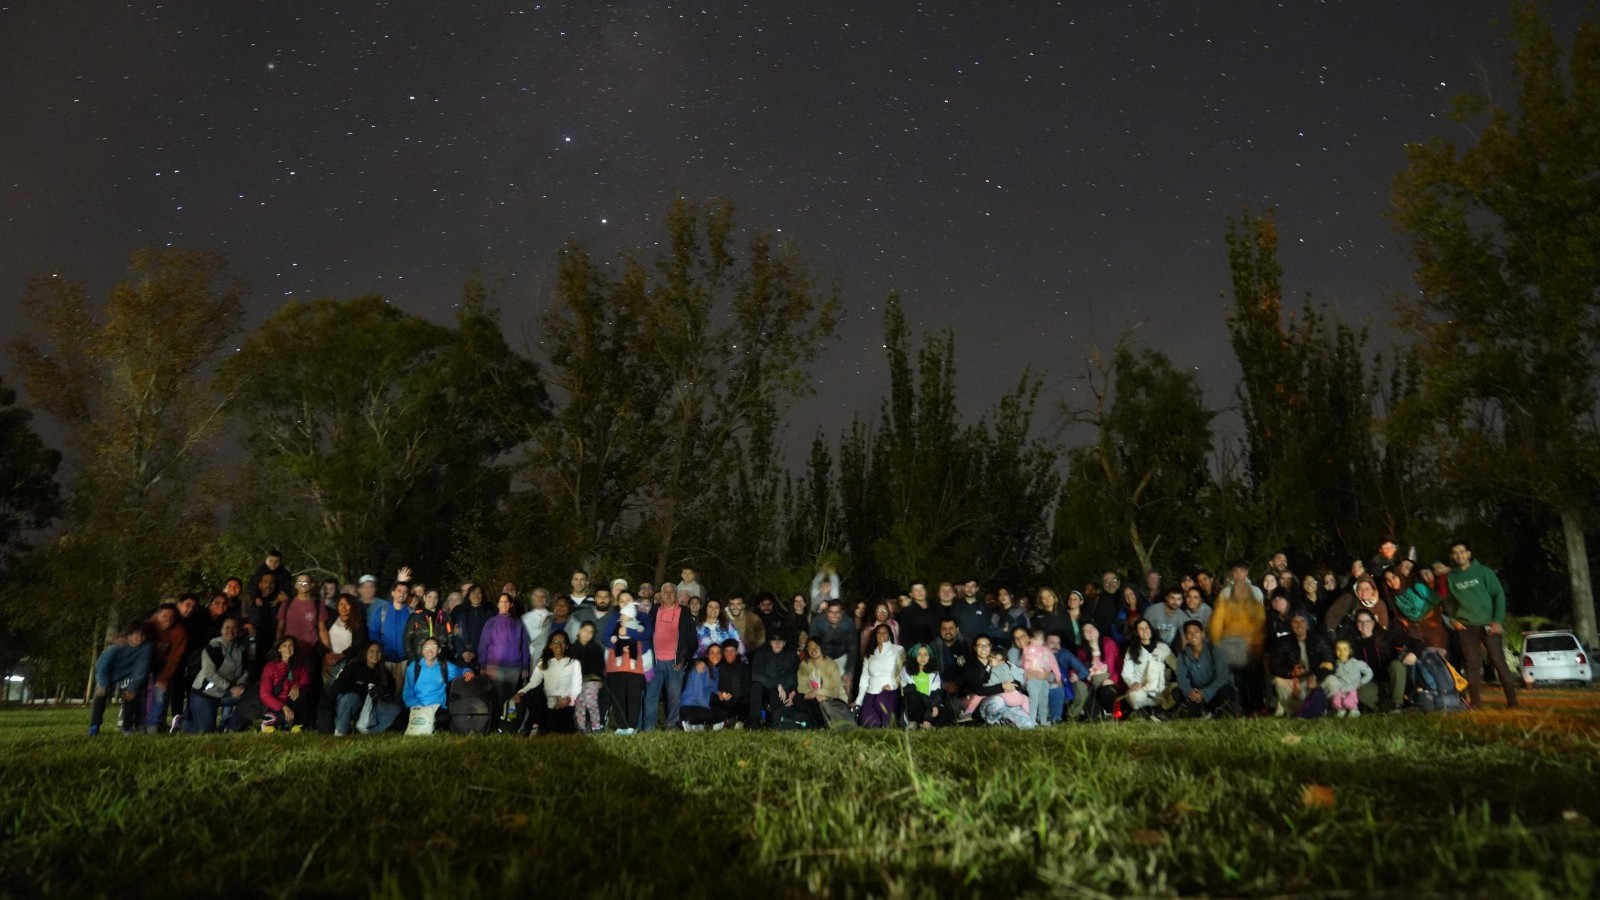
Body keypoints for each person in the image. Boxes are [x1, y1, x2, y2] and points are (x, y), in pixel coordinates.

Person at [1443, 541, 1518, 709]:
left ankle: (1513, 702)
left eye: (1462, 552)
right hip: (1466, 626)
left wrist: (1497, 620)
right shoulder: (1452, 578)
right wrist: (1453, 620)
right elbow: (1449, 602)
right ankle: (1475, 703)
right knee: (1471, 664)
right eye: (1455, 553)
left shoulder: (1484, 572)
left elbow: (1498, 595)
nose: (1459, 555)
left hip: (1488, 624)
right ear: (1452, 556)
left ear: (1469, 553)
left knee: (1498, 661)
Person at [641, 580, 696, 732]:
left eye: (672, 592)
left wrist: (683, 658)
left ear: (676, 595)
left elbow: (692, 639)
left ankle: (671, 725)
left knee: (674, 697)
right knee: (651, 696)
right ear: (661, 596)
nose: (669, 595)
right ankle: (649, 727)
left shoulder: (684, 612)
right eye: (666, 592)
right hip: (654, 662)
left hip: (675, 663)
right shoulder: (654, 611)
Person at [1208, 565, 1265, 713]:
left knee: (1253, 675)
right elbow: (1216, 626)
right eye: (1238, 590)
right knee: (1236, 677)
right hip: (1231, 647)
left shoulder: (1256, 603)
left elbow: (1260, 625)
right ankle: (1238, 707)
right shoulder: (1225, 602)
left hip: (1251, 647)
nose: (1241, 592)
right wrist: (1218, 645)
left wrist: (1254, 644)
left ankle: (1255, 707)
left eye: (1244, 590)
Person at [186, 617, 248, 734]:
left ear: (239, 631)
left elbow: (244, 671)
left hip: (225, 694)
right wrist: (231, 688)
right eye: (227, 628)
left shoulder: (241, 650)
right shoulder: (213, 647)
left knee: (249, 698)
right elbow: (209, 673)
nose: (231, 631)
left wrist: (241, 685)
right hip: (206, 694)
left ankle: (231, 726)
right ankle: (183, 723)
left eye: (234, 628)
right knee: (206, 732)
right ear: (221, 630)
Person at [89, 621, 152, 736]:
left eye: (142, 634)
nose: (139, 637)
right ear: (129, 634)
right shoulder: (118, 646)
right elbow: (101, 664)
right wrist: (103, 683)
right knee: (100, 696)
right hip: (109, 673)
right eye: (136, 634)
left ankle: (127, 727)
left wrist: (133, 687)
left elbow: (141, 669)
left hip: (129, 675)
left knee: (130, 696)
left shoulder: (146, 648)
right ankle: (94, 725)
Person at [514, 630, 582, 734]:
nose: (558, 645)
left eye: (562, 642)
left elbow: (577, 686)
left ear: (567, 645)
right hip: (547, 704)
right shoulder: (544, 662)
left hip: (565, 704)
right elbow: (533, 682)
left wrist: (568, 699)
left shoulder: (574, 663)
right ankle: (534, 727)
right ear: (550, 645)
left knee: (558, 728)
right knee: (535, 692)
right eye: (555, 642)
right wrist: (520, 692)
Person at [1268, 613, 1334, 716]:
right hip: (1296, 681)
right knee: (1278, 681)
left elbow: (1330, 663)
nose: (1299, 625)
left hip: (1314, 681)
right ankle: (1295, 712)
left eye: (1302, 621)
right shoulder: (1283, 642)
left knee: (1332, 681)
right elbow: (1274, 666)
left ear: (1307, 624)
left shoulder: (1319, 639)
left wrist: (1315, 675)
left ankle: (1322, 709)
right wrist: (1292, 672)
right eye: (1295, 622)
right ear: (1291, 624)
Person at [602, 593, 650, 734]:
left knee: (634, 696)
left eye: (627, 600)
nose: (624, 602)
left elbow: (647, 633)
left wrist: (628, 631)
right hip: (616, 663)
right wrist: (618, 645)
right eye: (621, 600)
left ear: (633, 601)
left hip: (636, 663)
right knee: (619, 696)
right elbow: (605, 637)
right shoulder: (614, 617)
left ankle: (632, 726)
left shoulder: (642, 616)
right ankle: (621, 726)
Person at [331, 641, 403, 735]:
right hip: (351, 704)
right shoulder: (354, 667)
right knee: (351, 697)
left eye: (378, 652)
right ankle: (340, 730)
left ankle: (367, 730)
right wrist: (364, 689)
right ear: (366, 653)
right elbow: (340, 686)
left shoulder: (383, 672)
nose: (375, 654)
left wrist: (382, 691)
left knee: (395, 710)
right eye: (371, 651)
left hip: (370, 706)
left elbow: (391, 688)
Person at [966, 635, 1034, 728]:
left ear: (991, 647)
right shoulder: (971, 667)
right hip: (987, 703)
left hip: (1009, 702)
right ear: (975, 648)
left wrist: (1012, 684)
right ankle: (991, 721)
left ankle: (1005, 720)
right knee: (998, 701)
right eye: (980, 645)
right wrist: (1002, 686)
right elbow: (979, 690)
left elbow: (1016, 682)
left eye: (987, 645)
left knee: (1029, 724)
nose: (984, 648)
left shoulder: (1001, 663)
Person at [402, 636, 469, 731]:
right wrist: (416, 706)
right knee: (400, 722)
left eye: (433, 647)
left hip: (437, 709)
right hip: (417, 707)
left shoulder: (444, 666)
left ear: (439, 650)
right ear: (422, 650)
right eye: (426, 647)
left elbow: (459, 671)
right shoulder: (414, 667)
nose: (430, 650)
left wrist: (467, 671)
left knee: (445, 719)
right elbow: (408, 691)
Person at [1174, 621, 1236, 717]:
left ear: (1202, 634)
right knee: (1177, 692)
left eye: (1196, 631)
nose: (1193, 635)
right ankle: (1202, 711)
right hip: (1197, 694)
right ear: (1186, 636)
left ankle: (1215, 712)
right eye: (1189, 633)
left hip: (1214, 691)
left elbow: (1222, 677)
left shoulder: (1214, 650)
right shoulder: (1182, 656)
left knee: (1227, 690)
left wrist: (1205, 693)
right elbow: (1181, 679)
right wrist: (1190, 692)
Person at [479, 592, 531, 708]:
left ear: (511, 604)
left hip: (514, 667)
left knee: (511, 696)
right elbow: (484, 645)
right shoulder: (491, 623)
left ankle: (508, 722)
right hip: (496, 666)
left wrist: (524, 667)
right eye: (501, 602)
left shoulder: (518, 623)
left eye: (506, 602)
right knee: (498, 695)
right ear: (497, 604)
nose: (503, 604)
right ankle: (498, 722)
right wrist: (483, 666)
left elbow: (524, 646)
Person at [145, 602, 189, 733]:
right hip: (145, 663)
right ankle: (134, 721)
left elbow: (175, 657)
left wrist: (164, 677)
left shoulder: (179, 632)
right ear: (157, 616)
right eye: (164, 616)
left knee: (161, 692)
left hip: (164, 664)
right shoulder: (147, 626)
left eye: (172, 617)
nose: (168, 620)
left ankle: (157, 723)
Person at [1010, 627, 1062, 727]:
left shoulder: (1043, 650)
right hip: (1025, 685)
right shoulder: (1014, 652)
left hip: (1042, 681)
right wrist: (1026, 676)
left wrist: (1048, 675)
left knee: (1053, 690)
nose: (1020, 640)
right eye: (1016, 638)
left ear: (1030, 637)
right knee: (1033, 699)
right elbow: (1015, 674)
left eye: (1023, 636)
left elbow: (1051, 665)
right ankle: (1032, 719)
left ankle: (1053, 718)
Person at [1121, 618, 1174, 717]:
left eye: (1147, 627)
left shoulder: (1162, 648)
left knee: (1176, 690)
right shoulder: (1132, 651)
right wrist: (1133, 683)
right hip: (1143, 690)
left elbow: (1176, 666)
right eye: (1141, 629)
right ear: (1137, 633)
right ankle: (1143, 711)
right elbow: (1126, 673)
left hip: (1161, 690)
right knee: (1135, 696)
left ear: (1151, 629)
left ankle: (1162, 709)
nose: (1145, 630)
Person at [259, 635, 312, 732]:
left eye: (291, 645)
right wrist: (283, 706)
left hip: (292, 703)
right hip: (276, 704)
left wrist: (297, 685)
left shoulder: (300, 666)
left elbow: (306, 681)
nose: (288, 648)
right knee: (278, 717)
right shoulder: (270, 667)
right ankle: (269, 723)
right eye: (284, 645)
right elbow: (264, 693)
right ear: (279, 649)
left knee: (302, 695)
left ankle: (296, 726)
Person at [855, 623, 904, 727]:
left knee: (882, 703)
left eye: (885, 632)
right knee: (868, 723)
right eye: (879, 633)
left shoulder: (898, 650)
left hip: (890, 691)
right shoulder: (870, 654)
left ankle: (890, 726)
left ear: (889, 635)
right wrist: (858, 701)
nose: (882, 635)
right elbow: (864, 679)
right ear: (875, 636)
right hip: (871, 692)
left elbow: (902, 672)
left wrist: (892, 685)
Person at [747, 633, 799, 729]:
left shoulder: (791, 655)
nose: (777, 643)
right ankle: (753, 724)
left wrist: (793, 692)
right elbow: (756, 675)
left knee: (781, 710)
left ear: (784, 643)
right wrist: (777, 685)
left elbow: (794, 674)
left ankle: (771, 722)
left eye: (780, 641)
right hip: (765, 687)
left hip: (781, 691)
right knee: (756, 686)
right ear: (770, 642)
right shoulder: (761, 653)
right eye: (774, 640)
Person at [368, 575, 413, 687]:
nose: (402, 593)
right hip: (385, 661)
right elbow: (374, 634)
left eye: (405, 592)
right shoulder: (381, 612)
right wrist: (379, 654)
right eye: (399, 590)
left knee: (403, 693)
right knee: (385, 690)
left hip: (405, 662)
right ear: (393, 593)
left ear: (407, 595)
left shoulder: (412, 614)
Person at [808, 600, 858, 698]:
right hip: (823, 656)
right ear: (827, 611)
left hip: (842, 656)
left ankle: (845, 710)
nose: (834, 615)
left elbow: (853, 648)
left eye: (837, 612)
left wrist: (848, 672)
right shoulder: (817, 622)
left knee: (845, 688)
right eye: (831, 612)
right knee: (818, 688)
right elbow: (812, 645)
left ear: (842, 612)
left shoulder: (848, 623)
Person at [1072, 622, 1122, 719]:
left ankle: (1109, 712)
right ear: (1083, 635)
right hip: (1091, 686)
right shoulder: (1081, 651)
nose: (1089, 631)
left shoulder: (1109, 643)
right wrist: (1073, 674)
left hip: (1108, 683)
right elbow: (1074, 667)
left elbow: (1119, 664)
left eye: (1091, 628)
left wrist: (1113, 680)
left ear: (1097, 629)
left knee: (1107, 691)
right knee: (1094, 717)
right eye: (1086, 631)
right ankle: (1099, 713)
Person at [795, 639, 846, 727]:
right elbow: (801, 687)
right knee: (798, 700)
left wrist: (821, 694)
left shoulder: (831, 665)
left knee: (819, 705)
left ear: (821, 647)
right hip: (812, 697)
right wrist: (809, 694)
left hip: (831, 698)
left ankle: (822, 725)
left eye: (816, 647)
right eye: (810, 648)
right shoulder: (805, 665)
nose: (813, 650)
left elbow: (835, 690)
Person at [1321, 639, 1374, 718]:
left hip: (1352, 687)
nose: (1341, 652)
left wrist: (1362, 682)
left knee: (1349, 701)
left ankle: (1354, 710)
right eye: (1338, 649)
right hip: (1340, 688)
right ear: (1335, 651)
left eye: (1345, 649)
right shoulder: (1335, 664)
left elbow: (1369, 672)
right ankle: (1341, 710)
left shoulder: (1357, 663)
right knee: (1336, 701)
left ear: (1350, 651)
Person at [680, 645, 729, 730]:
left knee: (723, 712)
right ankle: (690, 722)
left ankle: (696, 724)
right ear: (707, 655)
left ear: (721, 656)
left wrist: (719, 693)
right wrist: (707, 708)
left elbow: (710, 686)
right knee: (713, 714)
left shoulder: (715, 670)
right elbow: (697, 693)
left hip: (699, 707)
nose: (715, 655)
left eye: (718, 653)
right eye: (712, 653)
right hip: (689, 706)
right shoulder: (701, 667)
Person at [570, 620, 606, 734]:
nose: (587, 634)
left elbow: (600, 666)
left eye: (590, 632)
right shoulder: (572, 648)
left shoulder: (596, 648)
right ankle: (581, 727)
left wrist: (599, 679)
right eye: (585, 630)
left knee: (591, 703)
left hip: (592, 680)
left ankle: (595, 726)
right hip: (577, 682)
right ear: (580, 630)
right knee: (579, 704)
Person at [900, 643, 947, 729]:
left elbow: (935, 692)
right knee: (914, 696)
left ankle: (926, 722)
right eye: (919, 654)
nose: (923, 657)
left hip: (928, 706)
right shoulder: (906, 670)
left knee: (943, 710)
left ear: (929, 656)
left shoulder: (934, 673)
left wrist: (934, 706)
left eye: (926, 654)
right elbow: (911, 691)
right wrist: (932, 706)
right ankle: (914, 722)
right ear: (914, 655)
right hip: (913, 706)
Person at [450, 583, 494, 671]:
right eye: (473, 593)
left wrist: (474, 653)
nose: (476, 595)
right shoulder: (462, 614)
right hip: (462, 659)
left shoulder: (489, 615)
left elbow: (489, 638)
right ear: (469, 596)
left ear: (482, 596)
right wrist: (462, 653)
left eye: (479, 593)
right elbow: (457, 635)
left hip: (481, 660)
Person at [405, 588, 450, 662]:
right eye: (430, 596)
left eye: (435, 597)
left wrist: (448, 656)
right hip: (420, 658)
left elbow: (450, 636)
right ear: (424, 598)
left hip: (440, 658)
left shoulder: (444, 616)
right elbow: (407, 639)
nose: (432, 599)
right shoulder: (416, 616)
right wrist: (412, 659)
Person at [713, 638, 749, 727]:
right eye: (726, 651)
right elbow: (712, 685)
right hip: (722, 700)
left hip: (738, 700)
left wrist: (733, 695)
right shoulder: (718, 667)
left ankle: (738, 720)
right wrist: (720, 694)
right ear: (723, 653)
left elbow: (747, 688)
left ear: (736, 652)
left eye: (732, 651)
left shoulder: (744, 667)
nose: (729, 654)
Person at [896, 582, 939, 649]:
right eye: (916, 590)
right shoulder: (907, 613)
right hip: (919, 653)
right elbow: (904, 637)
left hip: (938, 649)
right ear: (911, 594)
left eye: (921, 589)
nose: (920, 592)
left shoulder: (936, 607)